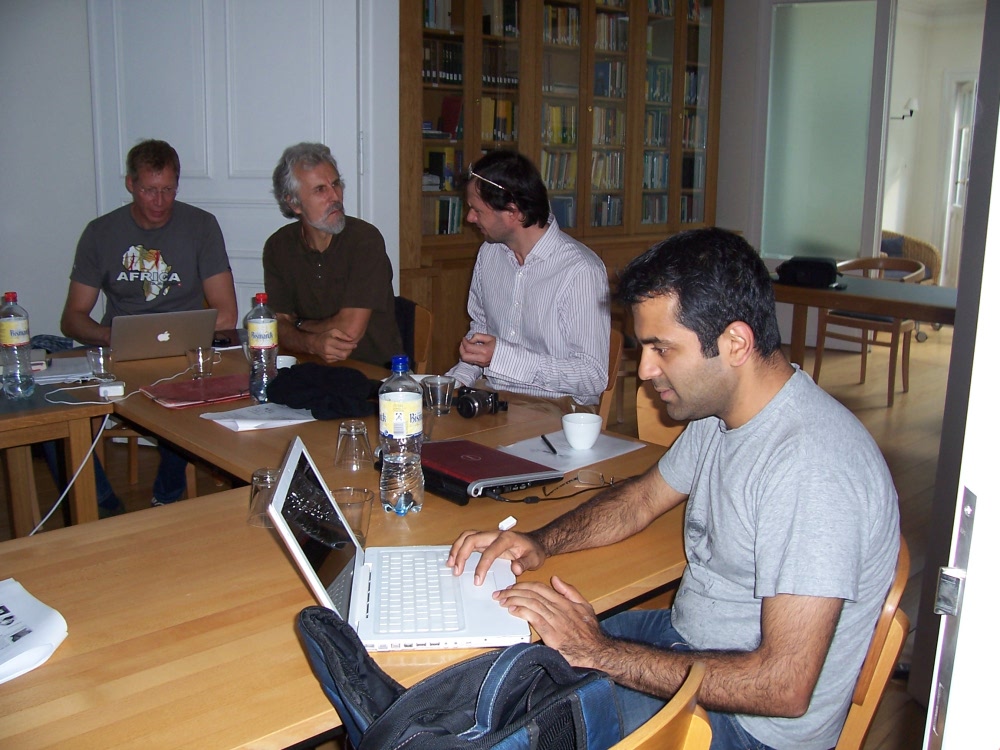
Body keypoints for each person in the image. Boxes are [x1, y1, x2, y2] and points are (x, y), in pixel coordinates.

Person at [448, 228, 900, 750]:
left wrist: (598, 652)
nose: (644, 370)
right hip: (688, 640)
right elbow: (640, 500)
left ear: (735, 344)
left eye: (662, 348)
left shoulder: (812, 468)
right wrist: (539, 542)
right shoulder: (722, 411)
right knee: (508, 657)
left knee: (526, 733)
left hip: (748, 725)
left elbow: (784, 687)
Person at [60, 139, 238, 511]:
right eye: (149, 190)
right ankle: (104, 503)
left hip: (184, 354)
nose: (159, 201)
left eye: (168, 190)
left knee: (193, 396)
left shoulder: (201, 226)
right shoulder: (100, 232)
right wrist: (113, 337)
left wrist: (188, 336)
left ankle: (167, 497)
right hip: (117, 352)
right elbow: (73, 317)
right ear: (130, 184)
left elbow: (226, 314)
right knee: (52, 410)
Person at [446, 150, 609, 414]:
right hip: (494, 397)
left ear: (513, 212)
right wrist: (452, 384)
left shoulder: (580, 270)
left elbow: (592, 376)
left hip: (558, 408)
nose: (470, 218)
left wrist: (504, 357)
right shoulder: (489, 254)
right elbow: (481, 333)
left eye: (477, 210)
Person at [263, 142, 402, 367]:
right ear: (294, 203)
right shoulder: (278, 246)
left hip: (371, 372)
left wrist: (298, 325)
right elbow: (274, 327)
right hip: (308, 366)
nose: (335, 196)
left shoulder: (364, 240)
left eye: (336, 184)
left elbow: (348, 332)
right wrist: (312, 343)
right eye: (320, 189)